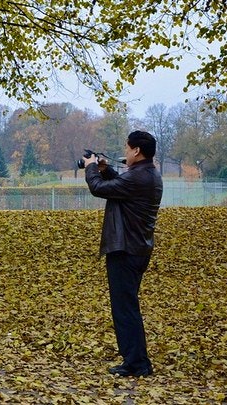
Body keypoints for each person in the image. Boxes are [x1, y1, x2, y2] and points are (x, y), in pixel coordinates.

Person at [83, 130, 163, 377]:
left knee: (125, 308)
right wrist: (105, 169)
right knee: (127, 305)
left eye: (127, 148)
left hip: (126, 250)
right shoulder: (147, 175)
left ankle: (137, 363)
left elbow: (98, 188)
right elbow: (118, 188)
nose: (125, 152)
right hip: (136, 248)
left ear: (136, 150)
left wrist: (90, 168)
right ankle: (135, 359)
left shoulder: (138, 178)